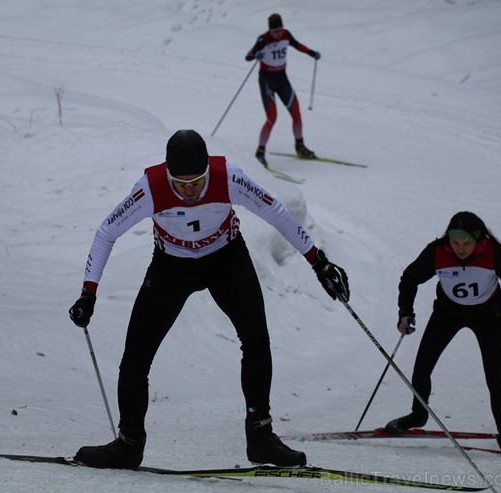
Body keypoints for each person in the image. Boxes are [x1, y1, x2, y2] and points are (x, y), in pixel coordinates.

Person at [68, 129, 349, 469]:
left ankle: (260, 437)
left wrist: (318, 262)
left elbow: (275, 212)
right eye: (181, 183)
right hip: (171, 267)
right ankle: (129, 444)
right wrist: (89, 291)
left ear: (207, 171)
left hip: (226, 260)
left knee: (257, 341)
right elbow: (106, 232)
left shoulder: (228, 177)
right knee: (135, 358)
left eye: (197, 182)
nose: (189, 191)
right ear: (168, 172)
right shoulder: (150, 187)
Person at [383, 211, 501, 458]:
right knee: (421, 367)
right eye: (456, 242)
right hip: (447, 314)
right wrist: (405, 311)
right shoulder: (437, 251)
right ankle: (418, 414)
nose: (460, 248)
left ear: (478, 239)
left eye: (467, 243)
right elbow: (410, 278)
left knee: (494, 377)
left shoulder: (494, 252)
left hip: (487, 317)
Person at [245, 13, 321, 167]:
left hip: (282, 79)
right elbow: (248, 56)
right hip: (267, 80)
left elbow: (297, 44)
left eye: (280, 30)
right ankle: (260, 152)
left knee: (296, 112)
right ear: (270, 31)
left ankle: (300, 146)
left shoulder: (286, 34)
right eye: (276, 31)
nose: (279, 34)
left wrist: (311, 52)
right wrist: (256, 55)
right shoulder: (263, 39)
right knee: (272, 117)